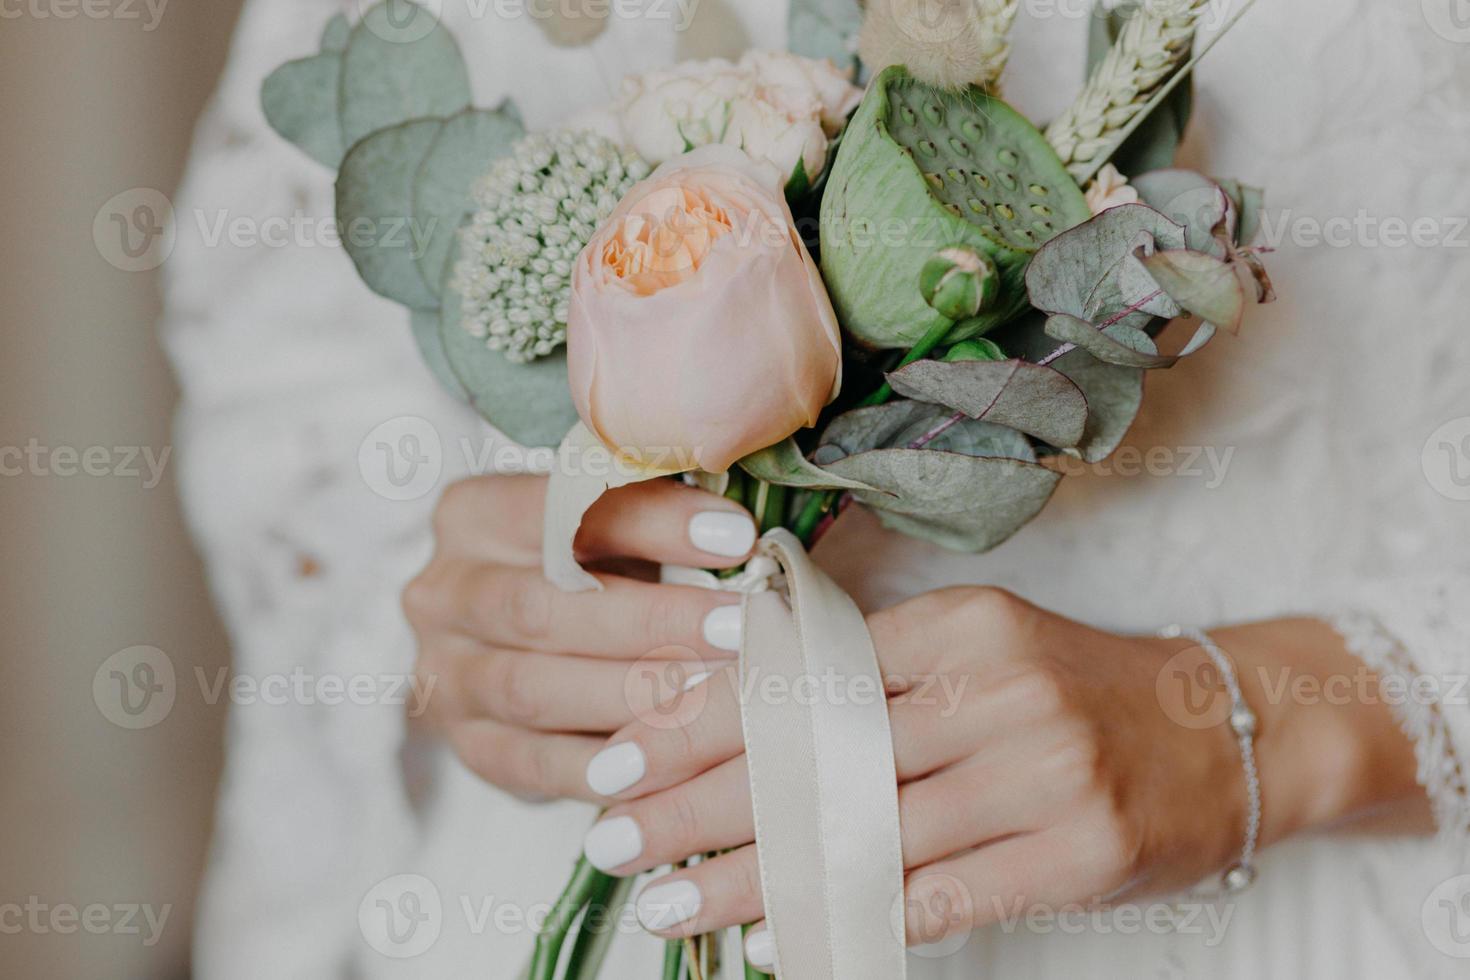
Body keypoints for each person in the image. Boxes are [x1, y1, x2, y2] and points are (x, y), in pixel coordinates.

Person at [165, 0, 1470, 976]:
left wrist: (1291, 719)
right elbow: (287, 324)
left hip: (1304, 889)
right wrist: (435, 605)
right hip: (582, 855)